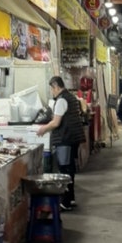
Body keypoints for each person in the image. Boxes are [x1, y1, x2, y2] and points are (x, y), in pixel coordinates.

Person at [36, 76, 85, 210]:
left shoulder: (62, 100)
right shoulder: (71, 97)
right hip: (73, 138)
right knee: (70, 169)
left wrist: (43, 129)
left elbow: (56, 122)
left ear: (56, 86)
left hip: (65, 139)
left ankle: (66, 202)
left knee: (64, 170)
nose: (52, 92)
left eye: (52, 89)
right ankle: (71, 198)